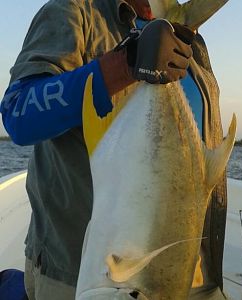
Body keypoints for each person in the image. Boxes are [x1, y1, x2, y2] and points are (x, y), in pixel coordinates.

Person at [0, 0, 228, 299]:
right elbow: (19, 115)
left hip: (188, 272)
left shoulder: (191, 41)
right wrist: (125, 64)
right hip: (93, 273)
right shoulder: (75, 12)